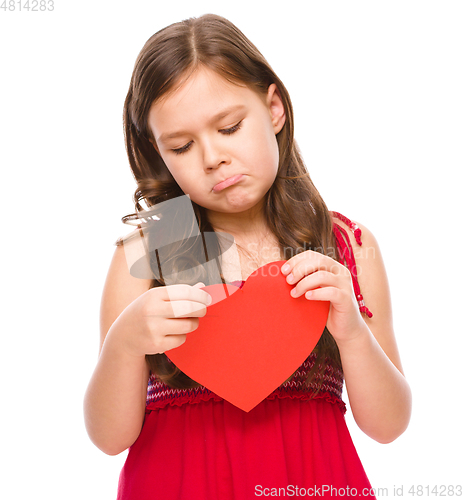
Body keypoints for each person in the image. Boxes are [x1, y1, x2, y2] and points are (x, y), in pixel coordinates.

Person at [84, 13, 412, 499]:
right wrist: (124, 343)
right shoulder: (149, 249)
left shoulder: (346, 244)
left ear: (274, 108)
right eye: (182, 145)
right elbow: (109, 438)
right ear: (158, 154)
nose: (212, 157)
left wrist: (353, 334)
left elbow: (389, 425)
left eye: (231, 127)